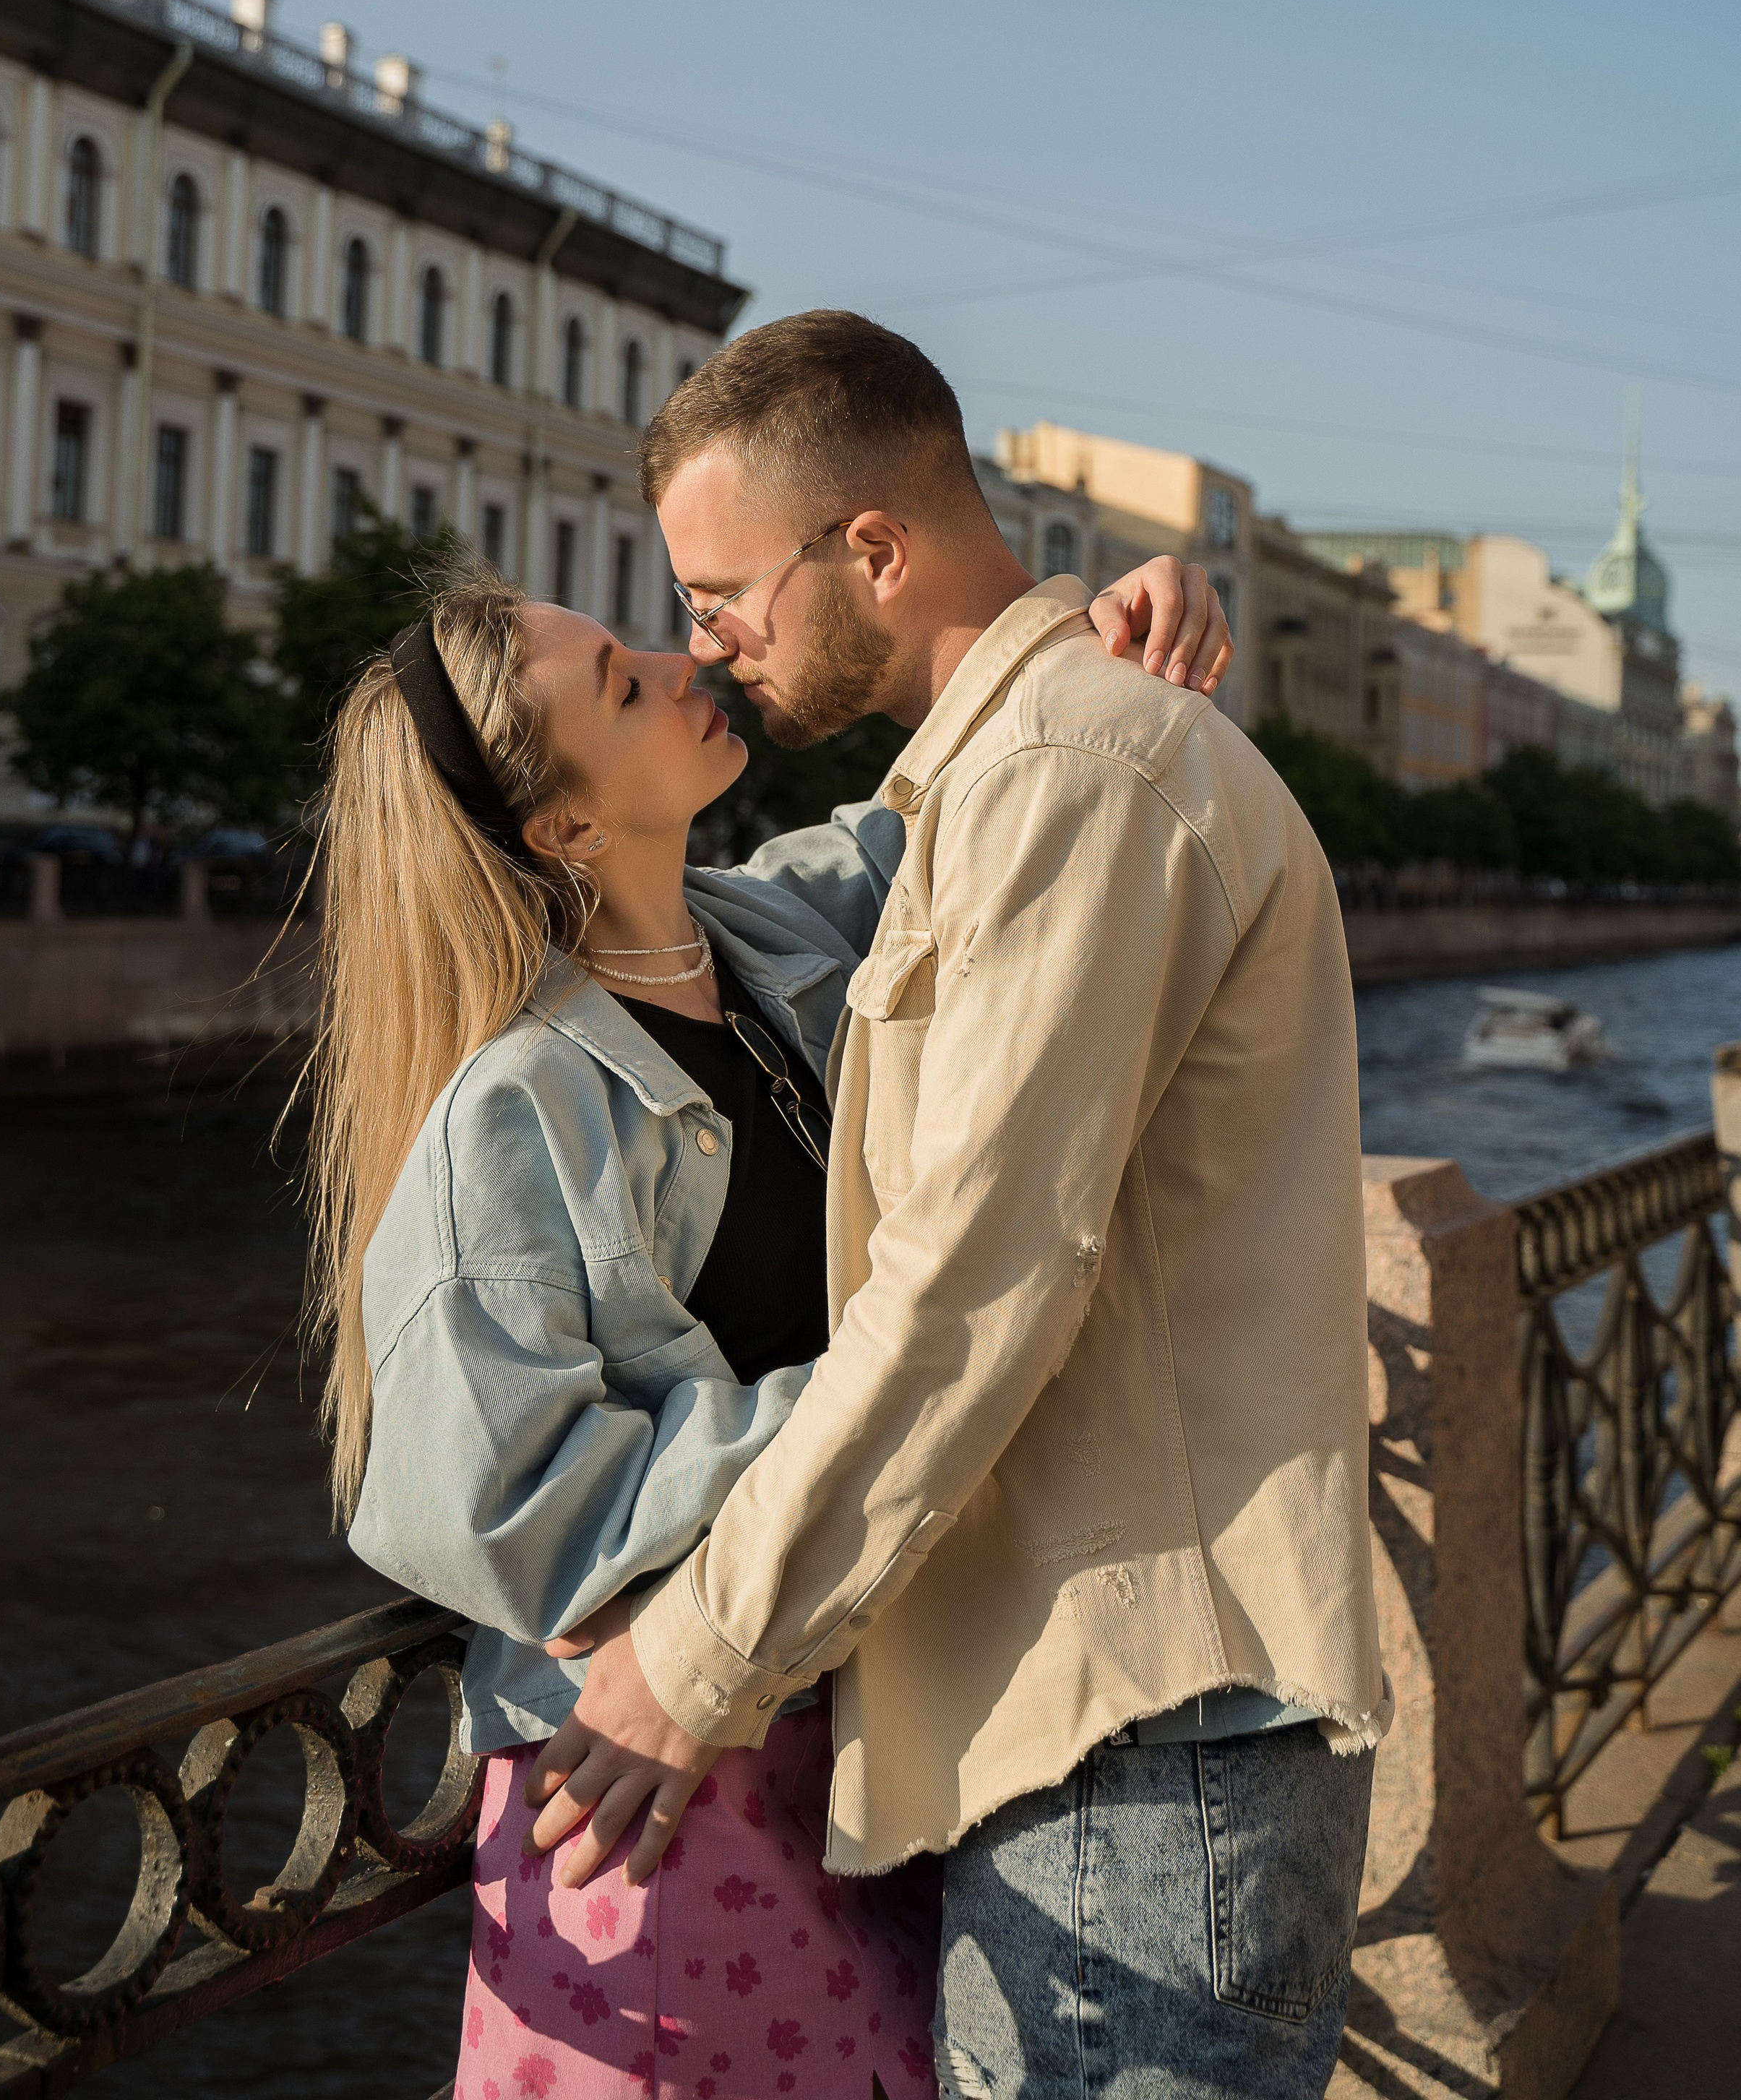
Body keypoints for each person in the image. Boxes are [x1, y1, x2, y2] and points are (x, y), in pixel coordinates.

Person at [523, 312, 1389, 2100]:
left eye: (719, 594)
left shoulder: (1066, 776)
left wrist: (699, 1658)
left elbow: (972, 1283)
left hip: (1140, 1741)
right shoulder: (1010, 776)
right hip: (1119, 1729)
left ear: (872, 548)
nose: (707, 646)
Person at [304, 546, 1229, 2099]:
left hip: (842, 1717)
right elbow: (495, 1506)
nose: (687, 663)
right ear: (567, 826)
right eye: (623, 683)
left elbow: (939, 819)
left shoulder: (766, 940)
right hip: (656, 1803)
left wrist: (1077, 623)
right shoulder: (516, 1109)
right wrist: (868, 1399)